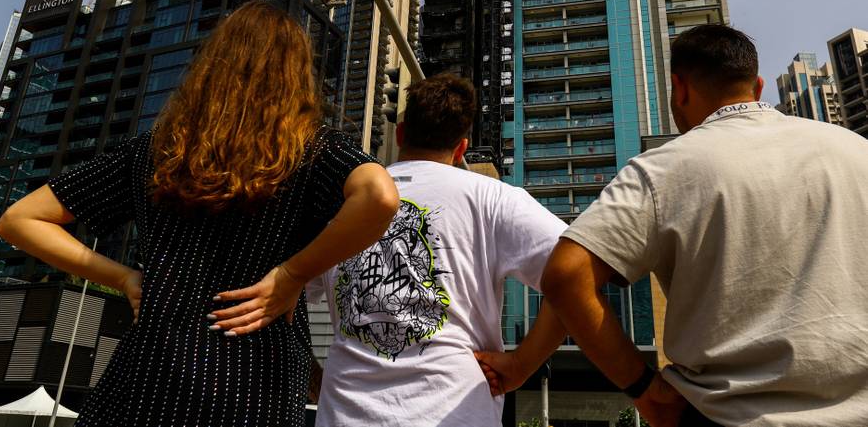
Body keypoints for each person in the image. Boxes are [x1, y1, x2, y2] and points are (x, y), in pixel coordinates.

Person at [0, 0, 399, 427]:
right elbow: (380, 196)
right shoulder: (315, 150)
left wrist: (123, 277)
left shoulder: (157, 150)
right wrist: (292, 274)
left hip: (148, 379)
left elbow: (18, 220)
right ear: (297, 76)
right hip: (256, 382)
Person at [518, 24, 868, 426]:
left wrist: (642, 388)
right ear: (757, 86)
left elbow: (566, 276)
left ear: (678, 88)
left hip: (727, 415)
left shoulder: (665, 168)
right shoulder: (856, 150)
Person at [222, 73, 568, 426]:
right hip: (457, 414)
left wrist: (315, 381)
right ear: (461, 147)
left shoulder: (341, 207)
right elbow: (575, 272)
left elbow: (269, 307)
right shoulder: (494, 199)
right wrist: (521, 365)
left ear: (400, 134)